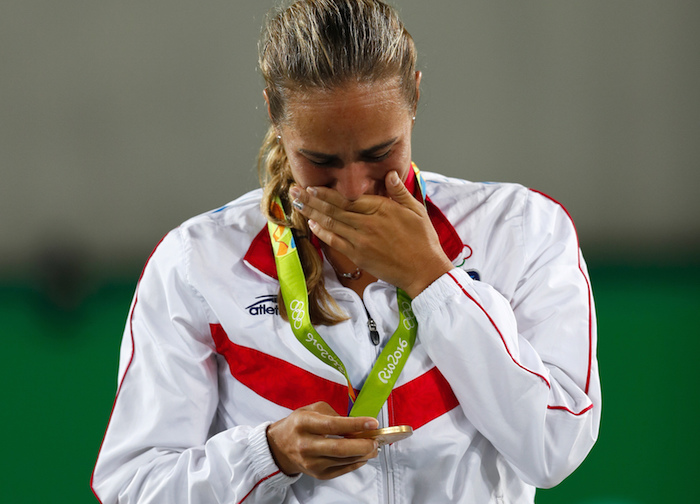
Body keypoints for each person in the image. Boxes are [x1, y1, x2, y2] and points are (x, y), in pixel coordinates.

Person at [91, 0, 601, 502]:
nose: (355, 189)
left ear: (415, 100)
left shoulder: (521, 229)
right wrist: (266, 454)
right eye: (321, 161)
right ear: (274, 113)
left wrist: (433, 280)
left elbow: (553, 448)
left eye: (381, 154)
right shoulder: (196, 264)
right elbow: (136, 489)